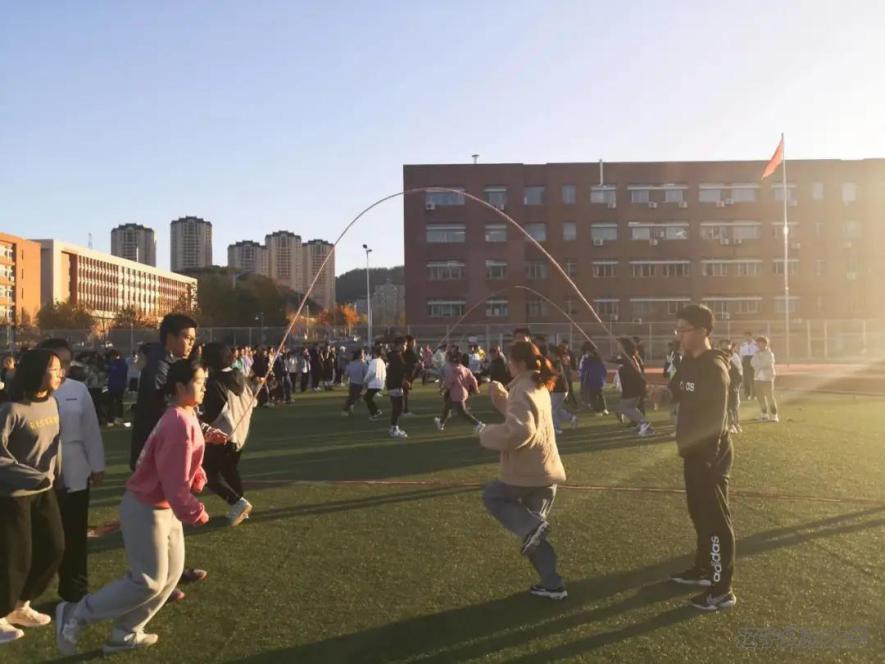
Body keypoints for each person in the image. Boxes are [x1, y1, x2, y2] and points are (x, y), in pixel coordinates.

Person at [56, 360, 212, 655]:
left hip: (162, 508)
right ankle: (77, 613)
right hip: (146, 508)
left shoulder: (187, 415)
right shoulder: (178, 422)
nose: (204, 387)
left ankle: (124, 633)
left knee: (170, 577)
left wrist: (198, 475)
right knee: (148, 581)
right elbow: (174, 482)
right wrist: (195, 511)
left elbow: (180, 464)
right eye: (200, 381)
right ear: (180, 387)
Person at [129, 313, 225, 603]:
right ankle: (153, 578)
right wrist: (199, 430)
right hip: (155, 455)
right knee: (157, 523)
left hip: (164, 452)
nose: (190, 343)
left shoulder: (171, 363)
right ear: (169, 337)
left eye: (193, 338)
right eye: (185, 337)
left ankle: (171, 573)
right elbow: (168, 411)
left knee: (170, 520)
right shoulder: (159, 366)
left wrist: (203, 430)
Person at [480, 341, 567, 600]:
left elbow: (520, 431)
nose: (507, 365)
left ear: (518, 363)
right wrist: (500, 397)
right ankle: (553, 585)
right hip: (546, 471)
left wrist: (485, 433)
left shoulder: (522, 388)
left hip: (527, 472)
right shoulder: (538, 384)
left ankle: (532, 527)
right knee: (533, 537)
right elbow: (523, 415)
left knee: (493, 496)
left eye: (509, 361)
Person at [668, 304, 737, 611]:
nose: (679, 335)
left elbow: (716, 421)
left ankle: (721, 590)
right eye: (678, 329)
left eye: (683, 330)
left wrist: (707, 458)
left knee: (715, 520)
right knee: (698, 514)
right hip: (693, 452)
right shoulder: (688, 362)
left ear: (702, 331)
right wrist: (663, 394)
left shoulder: (714, 368)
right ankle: (703, 569)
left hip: (710, 454)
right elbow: (677, 390)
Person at [0, 349, 65, 645]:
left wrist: (57, 473)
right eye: (54, 369)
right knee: (15, 558)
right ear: (37, 372)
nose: (61, 373)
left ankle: (21, 605)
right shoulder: (11, 410)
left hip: (44, 490)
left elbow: (54, 444)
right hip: (13, 495)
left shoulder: (52, 402)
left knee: (54, 547)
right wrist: (31, 476)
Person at [38, 339, 105, 604]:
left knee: (75, 536)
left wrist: (97, 465)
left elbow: (91, 430)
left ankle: (75, 591)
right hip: (40, 476)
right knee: (43, 539)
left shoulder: (79, 390)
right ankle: (23, 598)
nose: (62, 369)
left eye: (66, 362)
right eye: (56, 363)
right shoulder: (30, 393)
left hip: (76, 472)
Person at [201, 343, 256, 526]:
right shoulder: (240, 377)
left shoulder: (215, 383)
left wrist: (195, 416)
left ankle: (237, 502)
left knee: (206, 472)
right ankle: (241, 507)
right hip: (241, 433)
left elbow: (212, 414)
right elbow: (253, 402)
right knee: (229, 469)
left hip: (223, 436)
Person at [611, 338, 654, 436]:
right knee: (631, 407)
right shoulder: (629, 356)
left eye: (619, 345)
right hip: (631, 386)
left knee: (625, 408)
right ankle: (641, 424)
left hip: (632, 387)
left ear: (624, 346)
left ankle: (645, 425)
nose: (617, 347)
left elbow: (627, 365)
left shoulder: (629, 357)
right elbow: (620, 361)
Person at [434, 352, 484, 432]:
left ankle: (478, 424)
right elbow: (473, 380)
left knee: (463, 412)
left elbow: (448, 383)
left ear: (452, 362)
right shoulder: (465, 369)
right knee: (447, 406)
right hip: (463, 393)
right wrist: (476, 389)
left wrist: (442, 390)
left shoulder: (454, 371)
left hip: (457, 395)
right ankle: (441, 422)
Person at [549, 346, 577, 434]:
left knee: (552, 410)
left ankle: (557, 428)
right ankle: (571, 417)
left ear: (553, 354)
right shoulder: (557, 362)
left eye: (550, 353)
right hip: (561, 389)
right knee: (556, 409)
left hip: (560, 389)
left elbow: (556, 374)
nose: (548, 354)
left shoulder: (557, 363)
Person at [751, 336, 778, 422]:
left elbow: (768, 364)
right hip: (757, 377)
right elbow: (752, 363)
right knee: (760, 397)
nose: (758, 345)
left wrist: (758, 365)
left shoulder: (770, 354)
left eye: (760, 343)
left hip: (767, 378)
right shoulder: (756, 353)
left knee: (770, 397)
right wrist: (759, 365)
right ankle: (764, 414)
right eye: (757, 344)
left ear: (765, 344)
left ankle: (774, 415)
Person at [386, 338, 408, 439]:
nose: (405, 347)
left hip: (393, 383)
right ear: (399, 345)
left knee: (398, 407)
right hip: (395, 384)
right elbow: (401, 370)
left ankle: (394, 427)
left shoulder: (393, 355)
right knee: (398, 408)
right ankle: (394, 429)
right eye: (405, 345)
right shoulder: (397, 356)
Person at [579, 342, 608, 415]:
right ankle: (604, 409)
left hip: (591, 380)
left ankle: (597, 410)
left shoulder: (587, 360)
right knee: (600, 394)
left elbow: (584, 370)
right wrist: (604, 378)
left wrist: (582, 378)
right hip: (599, 380)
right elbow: (604, 369)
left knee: (592, 396)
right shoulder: (599, 359)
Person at [720, 340, 743, 434]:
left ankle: (736, 424)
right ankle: (731, 425)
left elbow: (739, 377)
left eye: (728, 355)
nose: (726, 357)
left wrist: (736, 386)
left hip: (733, 389)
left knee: (734, 407)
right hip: (724, 388)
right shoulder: (720, 364)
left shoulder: (733, 366)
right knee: (728, 407)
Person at [106, 349, 129, 427]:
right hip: (114, 386)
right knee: (112, 403)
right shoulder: (115, 363)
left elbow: (120, 372)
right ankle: (111, 419)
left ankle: (117, 418)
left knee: (118, 403)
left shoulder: (120, 363)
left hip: (118, 386)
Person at [341, 350, 368, 416]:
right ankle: (347, 409)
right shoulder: (363, 364)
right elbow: (366, 375)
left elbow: (346, 374)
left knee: (352, 397)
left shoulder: (351, 363)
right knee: (355, 398)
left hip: (352, 384)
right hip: (359, 384)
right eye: (363, 353)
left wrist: (345, 379)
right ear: (360, 355)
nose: (364, 355)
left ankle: (348, 408)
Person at [363, 346, 386, 421]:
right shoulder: (382, 362)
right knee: (368, 397)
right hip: (380, 383)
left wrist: (365, 380)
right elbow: (384, 374)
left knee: (367, 397)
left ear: (375, 353)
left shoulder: (374, 361)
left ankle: (375, 413)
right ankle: (376, 411)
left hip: (374, 383)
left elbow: (372, 372)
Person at [402, 336, 420, 416]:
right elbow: (412, 363)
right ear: (409, 342)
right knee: (404, 393)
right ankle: (404, 410)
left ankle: (404, 410)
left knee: (405, 393)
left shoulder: (410, 351)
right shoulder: (408, 351)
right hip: (406, 375)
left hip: (408, 375)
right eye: (413, 342)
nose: (414, 343)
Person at [738, 332, 758, 400]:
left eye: (748, 336)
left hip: (753, 360)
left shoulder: (756, 344)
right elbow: (741, 355)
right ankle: (747, 394)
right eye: (746, 336)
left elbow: (757, 353)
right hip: (745, 361)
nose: (747, 338)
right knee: (746, 379)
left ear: (751, 336)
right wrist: (741, 363)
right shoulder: (743, 345)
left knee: (753, 379)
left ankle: (754, 395)